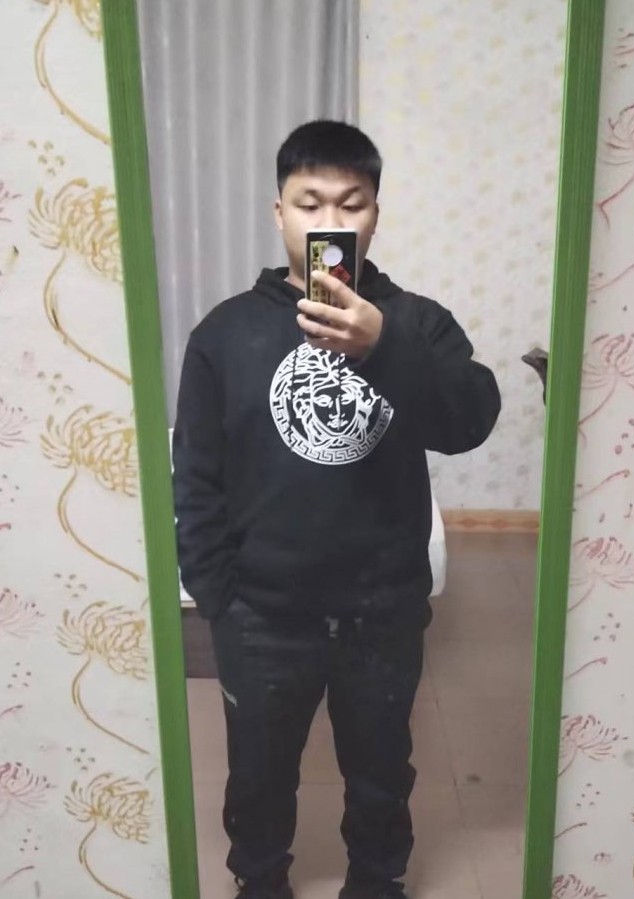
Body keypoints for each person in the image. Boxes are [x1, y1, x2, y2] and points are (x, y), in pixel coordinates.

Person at [172, 120, 501, 899]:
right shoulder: (225, 332)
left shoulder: (415, 322)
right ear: (278, 213)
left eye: (350, 204)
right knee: (257, 775)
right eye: (309, 202)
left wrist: (382, 345)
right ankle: (259, 881)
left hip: (380, 611)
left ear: (375, 215)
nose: (329, 220)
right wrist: (217, 595)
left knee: (383, 773)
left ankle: (377, 880)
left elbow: (469, 419)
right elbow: (196, 474)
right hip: (260, 614)